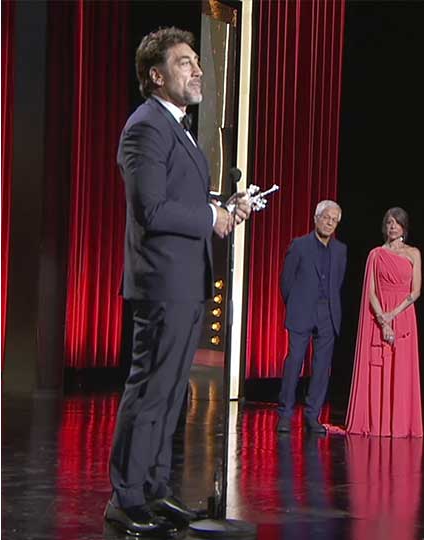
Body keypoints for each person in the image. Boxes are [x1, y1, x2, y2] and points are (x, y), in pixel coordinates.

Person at [103, 27, 250, 538]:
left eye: (196, 62)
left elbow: (180, 201)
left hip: (186, 282)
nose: (197, 70)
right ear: (157, 75)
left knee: (171, 395)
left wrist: (224, 209)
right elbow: (151, 208)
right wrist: (210, 217)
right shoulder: (145, 127)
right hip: (162, 282)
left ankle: (154, 489)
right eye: (185, 62)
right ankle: (126, 498)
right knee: (150, 390)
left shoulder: (177, 128)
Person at [346, 207, 424, 438]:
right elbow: (370, 292)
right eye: (389, 222)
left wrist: (394, 315)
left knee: (402, 370)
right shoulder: (376, 254)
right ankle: (378, 422)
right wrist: (383, 319)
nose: (392, 226)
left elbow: (416, 291)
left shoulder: (413, 253)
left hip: (404, 314)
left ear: (404, 227)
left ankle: (400, 423)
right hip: (378, 316)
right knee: (379, 369)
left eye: (397, 223)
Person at [276, 200, 346, 434]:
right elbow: (286, 281)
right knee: (295, 361)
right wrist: (295, 304)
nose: (330, 223)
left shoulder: (340, 250)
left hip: (328, 313)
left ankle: (312, 415)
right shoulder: (299, 245)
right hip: (301, 310)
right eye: (327, 217)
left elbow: (338, 282)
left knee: (321, 367)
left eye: (335, 220)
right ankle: (285, 414)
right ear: (316, 218)